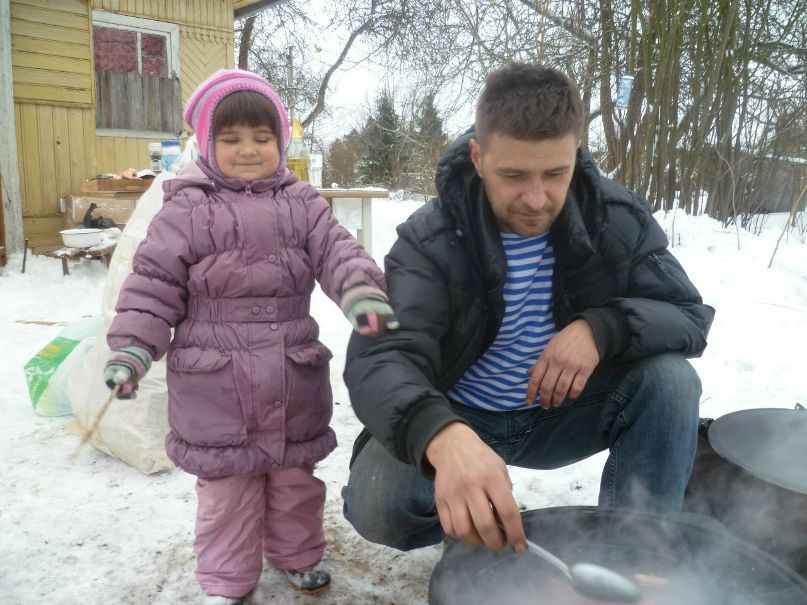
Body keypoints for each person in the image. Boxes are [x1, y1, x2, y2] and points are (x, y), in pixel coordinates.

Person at [342, 62, 715, 557]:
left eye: (555, 173)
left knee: (671, 380)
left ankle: (634, 552)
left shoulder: (615, 218)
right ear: (478, 157)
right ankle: (469, 523)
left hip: (563, 413)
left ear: (575, 154)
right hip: (462, 414)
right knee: (378, 508)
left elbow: (688, 314)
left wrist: (601, 328)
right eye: (514, 175)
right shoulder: (428, 239)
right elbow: (379, 355)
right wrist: (442, 435)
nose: (537, 199)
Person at [103, 69, 397, 604]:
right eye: (231, 138)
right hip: (217, 383)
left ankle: (298, 554)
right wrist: (134, 347)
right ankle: (227, 579)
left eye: (262, 138)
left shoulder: (303, 202)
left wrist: (361, 292)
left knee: (294, 480)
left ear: (280, 142)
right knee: (227, 490)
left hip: (290, 372)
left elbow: (339, 252)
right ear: (207, 143)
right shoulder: (185, 209)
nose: (248, 150)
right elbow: (152, 286)